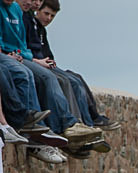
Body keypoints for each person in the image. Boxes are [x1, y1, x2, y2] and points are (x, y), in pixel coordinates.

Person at [0, 0, 99, 145]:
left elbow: (22, 44)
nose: (32, 2)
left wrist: (24, 55)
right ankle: (37, 125)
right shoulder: (18, 13)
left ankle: (81, 125)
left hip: (21, 55)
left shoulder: (17, 11)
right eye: (46, 13)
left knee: (73, 80)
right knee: (37, 75)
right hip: (10, 55)